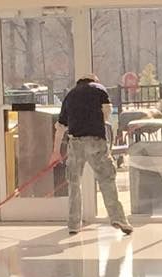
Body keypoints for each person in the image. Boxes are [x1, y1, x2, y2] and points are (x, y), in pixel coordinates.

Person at [56, 74, 133, 236]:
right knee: (106, 180)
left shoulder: (70, 95)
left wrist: (55, 151)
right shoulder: (99, 89)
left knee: (74, 184)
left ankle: (74, 224)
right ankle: (118, 218)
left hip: (75, 143)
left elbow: (60, 126)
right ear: (94, 81)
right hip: (95, 141)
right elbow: (107, 113)